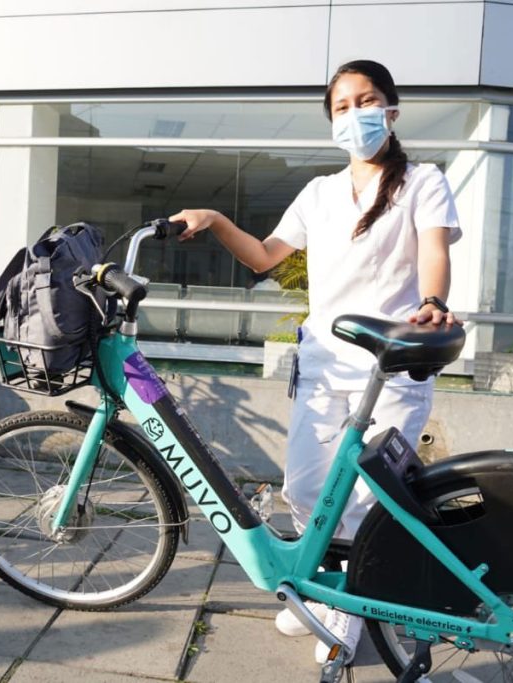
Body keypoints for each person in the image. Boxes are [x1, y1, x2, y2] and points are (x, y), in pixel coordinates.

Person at [169, 59, 462, 665]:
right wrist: (216, 220)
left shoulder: (422, 181)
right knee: (305, 488)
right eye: (342, 107)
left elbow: (435, 251)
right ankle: (323, 589)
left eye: (367, 101)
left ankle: (348, 609)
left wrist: (433, 302)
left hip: (389, 365)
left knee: (365, 499)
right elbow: (263, 257)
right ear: (331, 121)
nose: (356, 114)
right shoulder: (320, 193)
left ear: (392, 110)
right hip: (324, 361)